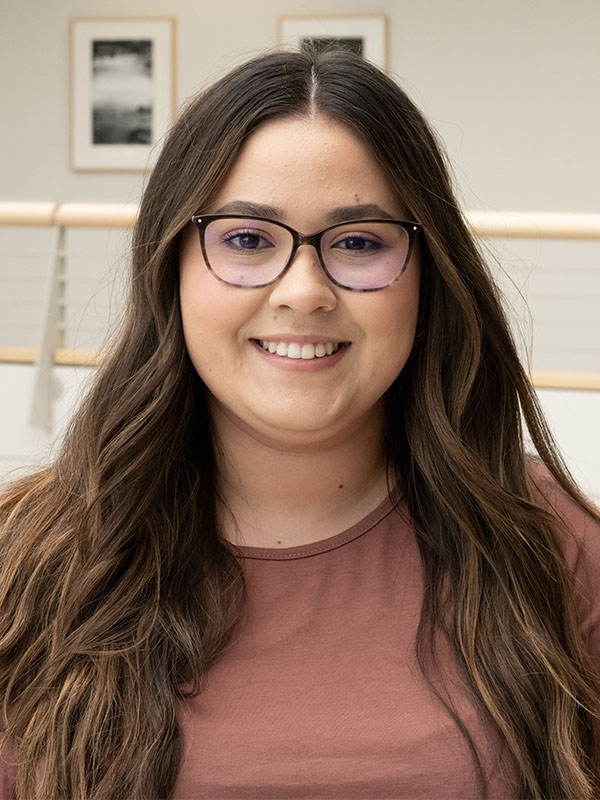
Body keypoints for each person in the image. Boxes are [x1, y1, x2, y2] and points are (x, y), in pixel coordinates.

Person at [1, 46, 599, 800]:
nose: (305, 291)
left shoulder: (551, 547)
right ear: (172, 268)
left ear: (426, 274)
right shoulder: (26, 560)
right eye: (248, 240)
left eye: (358, 242)